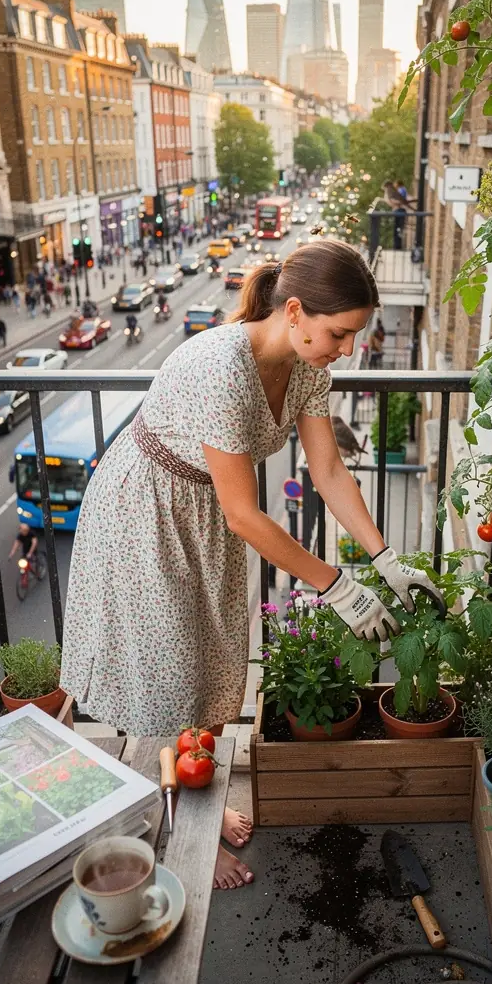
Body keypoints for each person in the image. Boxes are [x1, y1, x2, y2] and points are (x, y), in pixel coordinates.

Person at [59, 240, 445, 890]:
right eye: (339, 333)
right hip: (147, 508)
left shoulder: (307, 364)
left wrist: (386, 558)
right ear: (294, 311)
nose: (346, 348)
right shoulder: (222, 368)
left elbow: (326, 469)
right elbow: (246, 514)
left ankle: (199, 798)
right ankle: (178, 827)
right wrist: (337, 585)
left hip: (203, 510)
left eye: (353, 335)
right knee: (169, 680)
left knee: (212, 664)